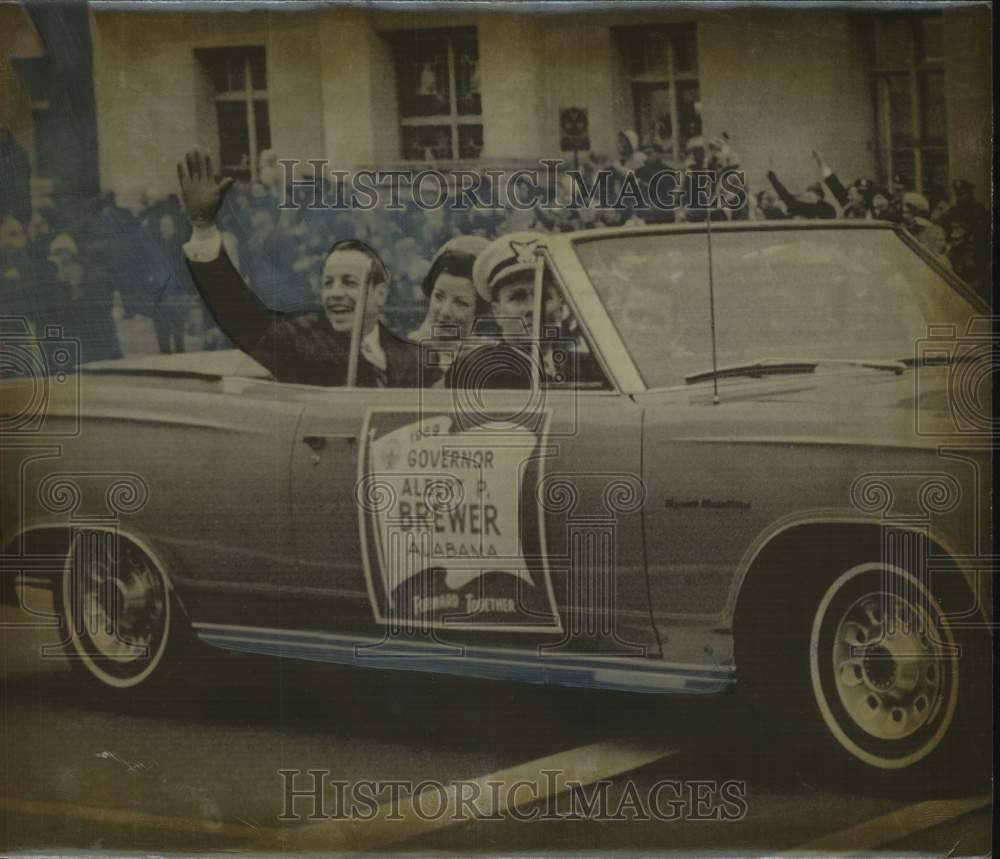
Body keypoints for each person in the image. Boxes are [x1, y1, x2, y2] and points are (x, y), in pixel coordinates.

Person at [176, 150, 419, 388]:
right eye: (327, 283)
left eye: (349, 282)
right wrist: (203, 227)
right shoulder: (303, 343)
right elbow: (241, 317)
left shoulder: (411, 355)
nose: (334, 293)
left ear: (380, 293)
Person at [408, 235, 491, 385]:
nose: (445, 312)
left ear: (480, 311)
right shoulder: (403, 351)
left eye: (460, 303)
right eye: (439, 297)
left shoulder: (489, 357)